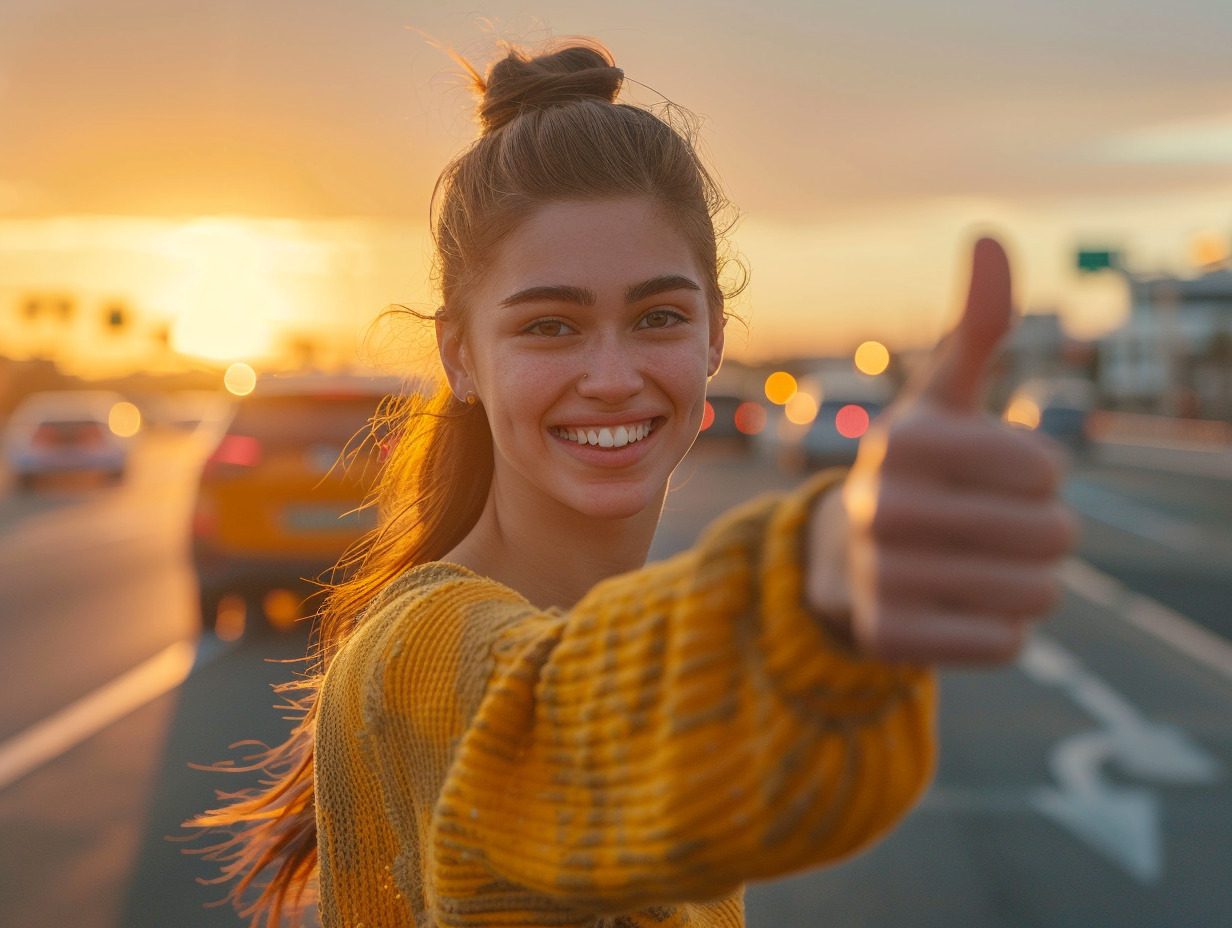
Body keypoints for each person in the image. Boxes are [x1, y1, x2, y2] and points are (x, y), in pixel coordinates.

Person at [187, 37, 1074, 928]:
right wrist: (815, 588)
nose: (612, 375)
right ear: (461, 354)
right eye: (550, 326)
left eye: (657, 316)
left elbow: (763, 785)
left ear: (714, 337)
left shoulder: (618, 650)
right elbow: (552, 719)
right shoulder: (411, 650)